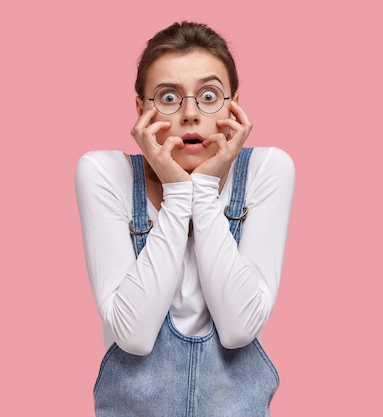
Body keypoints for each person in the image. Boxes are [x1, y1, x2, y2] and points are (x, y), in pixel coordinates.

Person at [75, 21, 295, 416]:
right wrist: (178, 191)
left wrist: (204, 186)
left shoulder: (267, 169)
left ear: (234, 106)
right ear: (140, 109)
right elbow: (134, 336)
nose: (190, 114)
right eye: (168, 97)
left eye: (209, 95)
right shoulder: (106, 173)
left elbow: (239, 328)